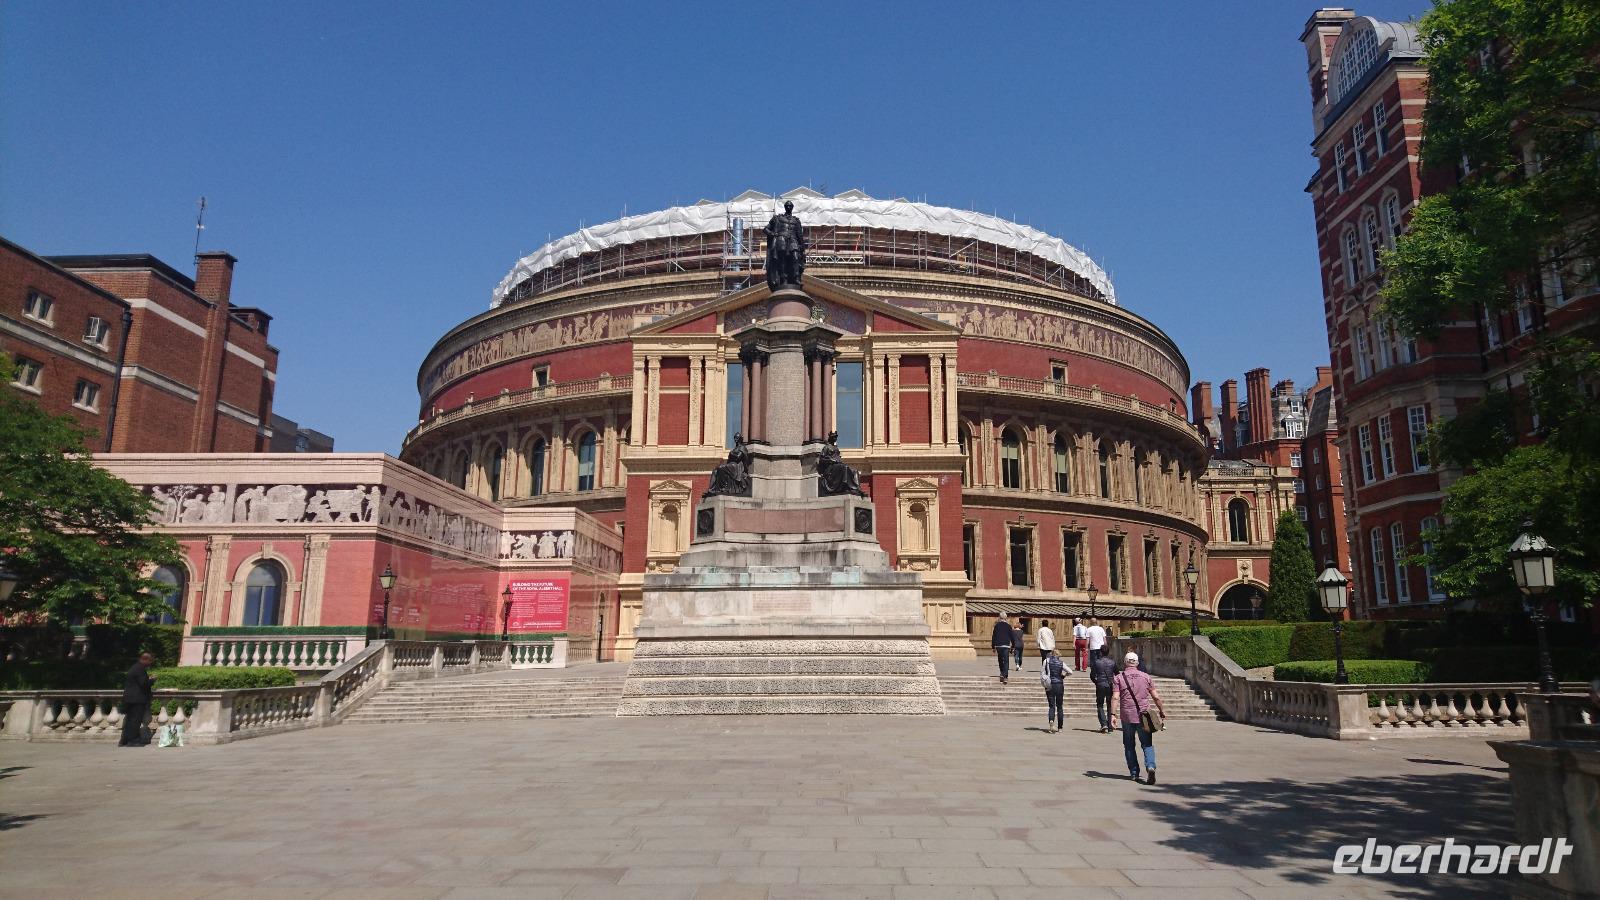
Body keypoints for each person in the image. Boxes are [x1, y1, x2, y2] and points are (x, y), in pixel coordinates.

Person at [1110, 651, 1167, 784]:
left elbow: (1115, 697)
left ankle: (1134, 773)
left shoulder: (1119, 678)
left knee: (1129, 745)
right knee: (1147, 744)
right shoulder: (1146, 677)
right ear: (1137, 663)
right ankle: (1151, 766)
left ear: (1125, 662)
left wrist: (1113, 714)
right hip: (1144, 716)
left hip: (1127, 716)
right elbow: (1156, 697)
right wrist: (1161, 711)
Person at [120, 651, 156, 747]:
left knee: (129, 720)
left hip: (130, 698)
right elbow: (144, 684)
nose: (150, 663)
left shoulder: (135, 667)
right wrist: (152, 680)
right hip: (137, 699)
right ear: (145, 659)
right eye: (150, 661)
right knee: (135, 720)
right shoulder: (140, 669)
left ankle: (124, 740)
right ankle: (133, 740)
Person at [1090, 648, 1116, 733]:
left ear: (1100, 652)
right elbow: (1118, 674)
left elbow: (1092, 675)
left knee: (1100, 705)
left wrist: (1096, 682)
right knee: (1109, 705)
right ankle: (1110, 726)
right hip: (1110, 684)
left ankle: (1104, 724)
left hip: (1100, 684)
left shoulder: (1096, 662)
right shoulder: (1112, 662)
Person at [1042, 649, 1067, 733]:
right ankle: (1060, 727)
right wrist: (1063, 675)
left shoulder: (1046, 661)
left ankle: (1051, 720)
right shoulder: (1061, 663)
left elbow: (1042, 673)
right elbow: (1070, 671)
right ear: (1058, 655)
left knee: (1051, 706)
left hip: (1049, 685)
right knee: (1059, 706)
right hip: (1059, 685)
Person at [991, 614, 1015, 683]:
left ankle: (1002, 673)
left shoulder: (997, 626)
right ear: (1006, 618)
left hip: (998, 645)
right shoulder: (1008, 626)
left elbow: (994, 636)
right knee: (1006, 661)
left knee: (1000, 659)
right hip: (1006, 646)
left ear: (999, 618)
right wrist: (1013, 646)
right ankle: (1005, 677)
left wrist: (993, 646)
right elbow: (1012, 637)